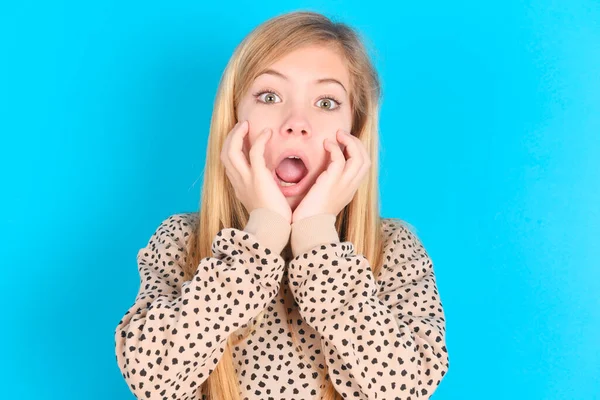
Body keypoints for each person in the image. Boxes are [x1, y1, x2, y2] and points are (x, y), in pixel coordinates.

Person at [114, 10, 450, 400]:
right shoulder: (181, 241)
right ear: (235, 118)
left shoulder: (393, 248)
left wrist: (317, 238)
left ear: (355, 131)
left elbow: (405, 388)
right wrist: (263, 232)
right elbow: (153, 379)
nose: (297, 122)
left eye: (326, 102)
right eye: (269, 96)